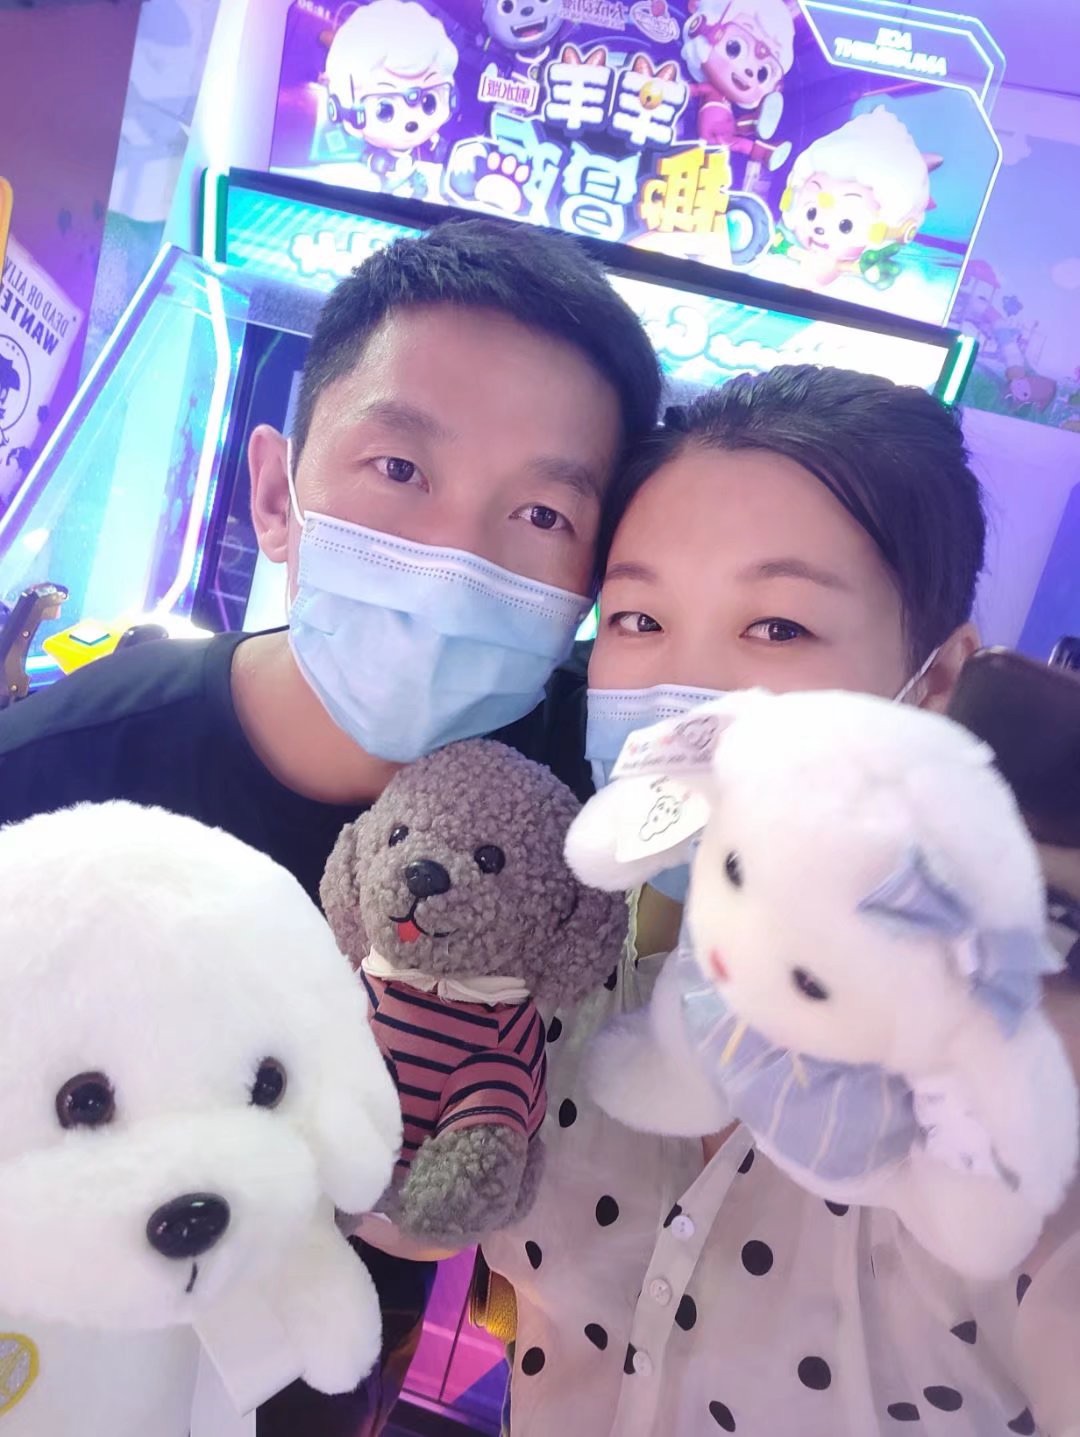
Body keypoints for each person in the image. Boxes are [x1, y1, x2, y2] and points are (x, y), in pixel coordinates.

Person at [0, 216, 662, 1436]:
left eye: (541, 516)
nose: (454, 557)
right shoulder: (53, 789)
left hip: (340, 1367)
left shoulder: (595, 810)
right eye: (400, 469)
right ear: (276, 494)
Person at [483, 365, 1080, 1437]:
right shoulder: (558, 970)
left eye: (778, 628)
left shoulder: (1012, 1066)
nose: (686, 687)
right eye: (637, 617)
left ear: (941, 678)